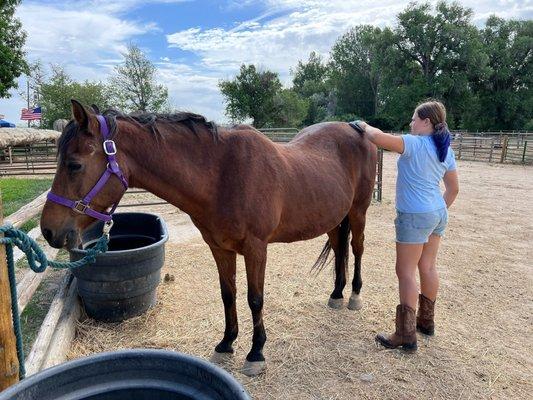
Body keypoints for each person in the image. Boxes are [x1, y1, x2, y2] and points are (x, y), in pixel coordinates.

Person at [353, 100, 459, 352]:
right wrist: (436, 211)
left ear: (426, 122)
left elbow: (376, 137)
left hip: (414, 215)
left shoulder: (412, 144)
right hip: (438, 213)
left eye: (414, 119)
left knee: (405, 272)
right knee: (428, 267)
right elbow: (453, 190)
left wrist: (362, 124)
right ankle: (426, 322)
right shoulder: (445, 149)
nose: (410, 123)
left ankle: (405, 334)